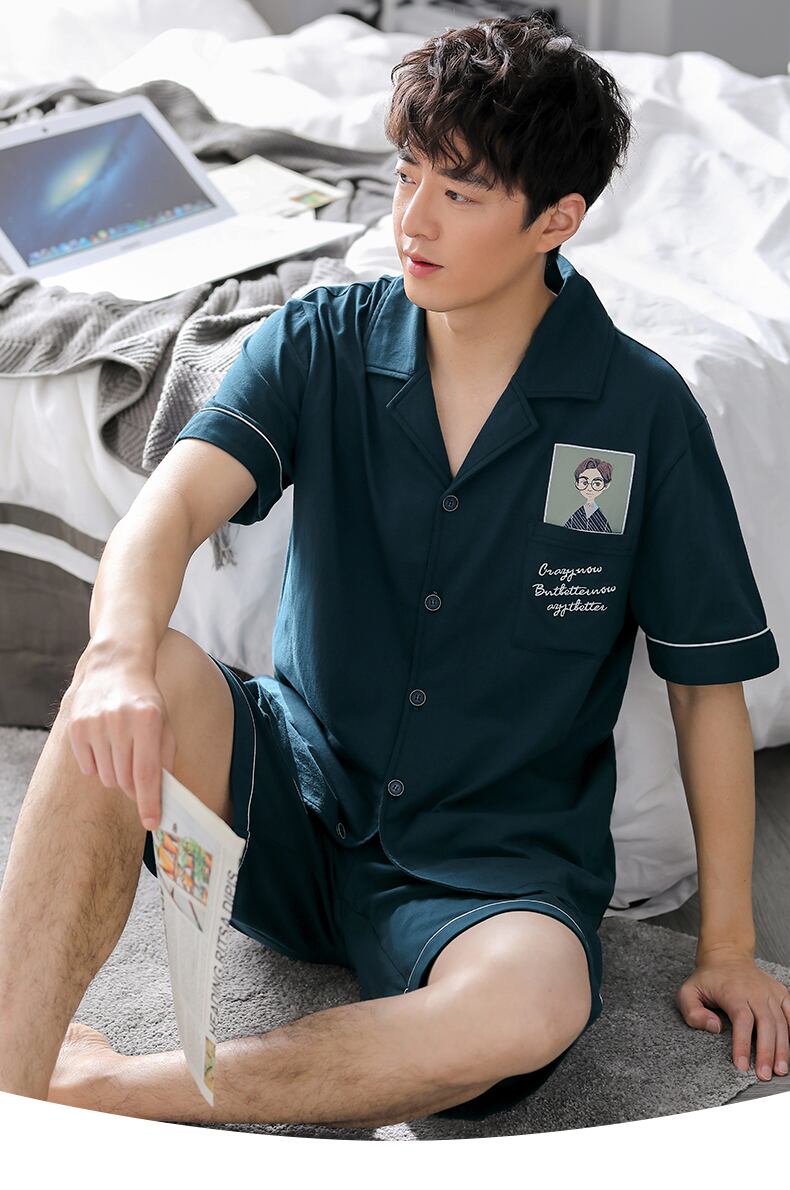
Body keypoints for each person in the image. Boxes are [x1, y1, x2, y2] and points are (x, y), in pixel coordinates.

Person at [0, 14, 787, 1129]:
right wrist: (122, 656)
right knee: (126, 673)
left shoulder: (644, 413)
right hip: (289, 798)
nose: (412, 220)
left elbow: (707, 686)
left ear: (557, 219)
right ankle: (12, 1088)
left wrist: (729, 947)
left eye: (459, 193)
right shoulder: (319, 339)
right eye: (409, 173)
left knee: (532, 1006)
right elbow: (166, 510)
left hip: (494, 867)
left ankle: (103, 1092)